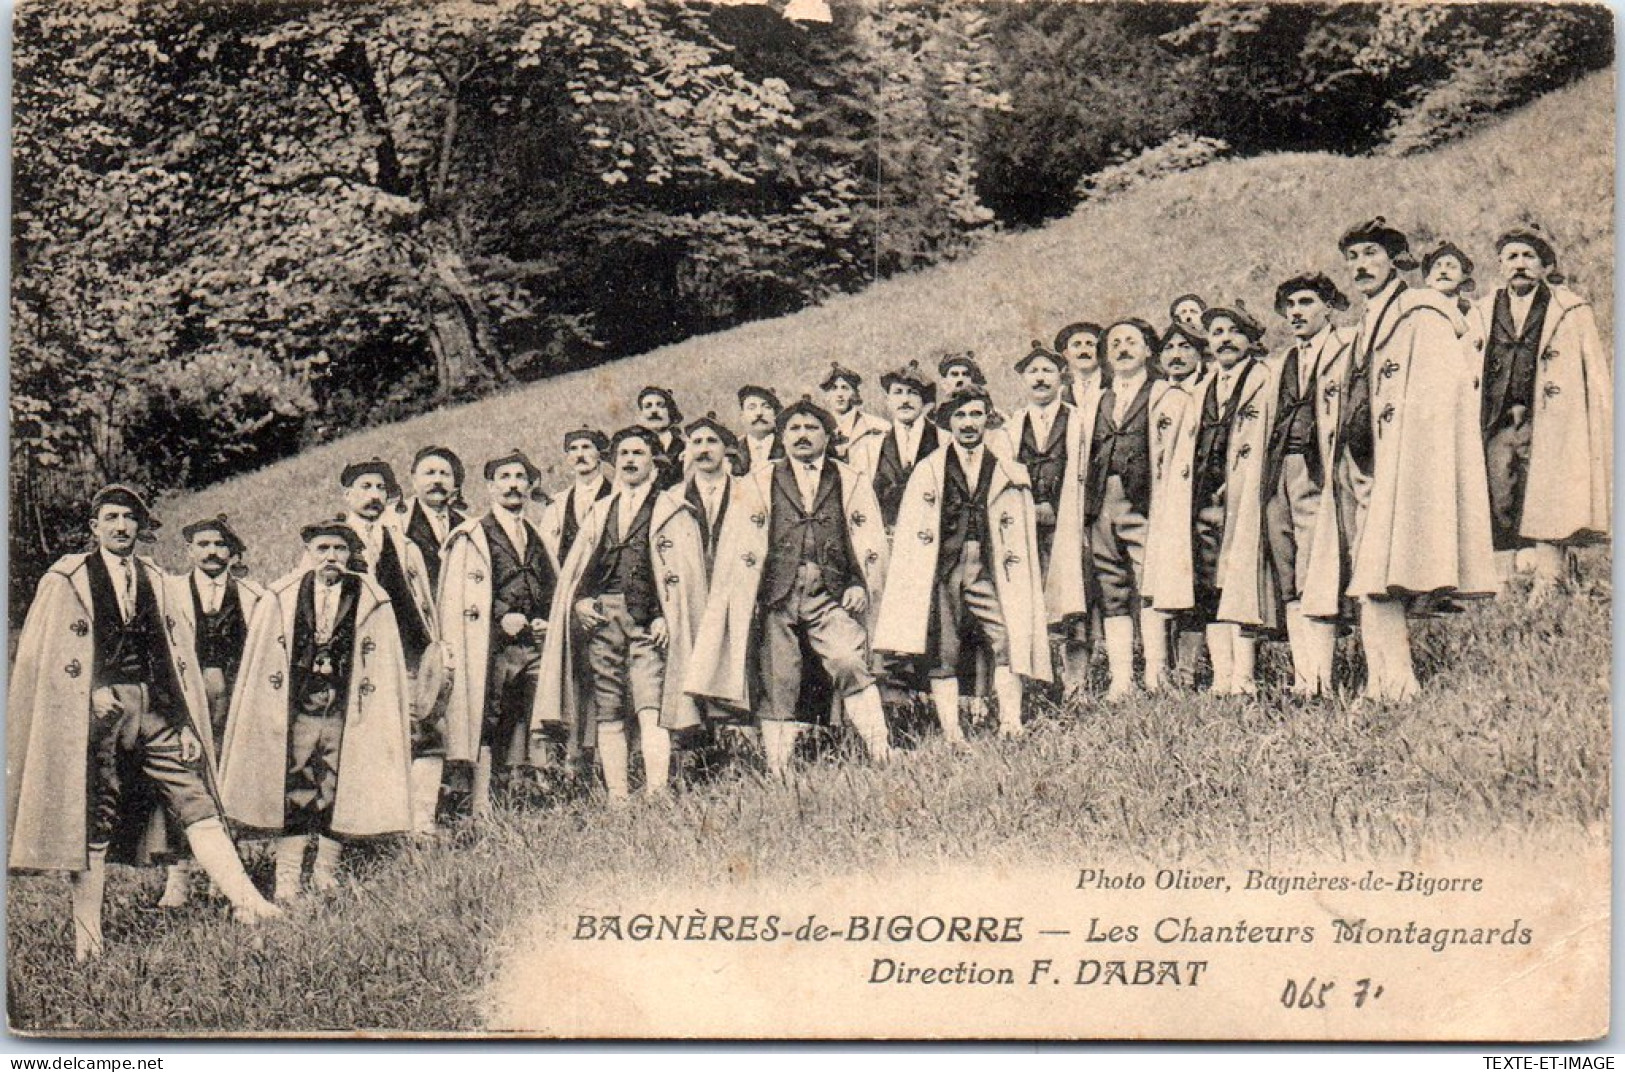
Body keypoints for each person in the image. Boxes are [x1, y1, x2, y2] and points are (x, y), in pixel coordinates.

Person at [8, 486, 280, 959]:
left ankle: (249, 901)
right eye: (111, 517)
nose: (121, 527)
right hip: (93, 713)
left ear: (139, 526)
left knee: (195, 797)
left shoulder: (153, 577)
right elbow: (51, 656)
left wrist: (183, 723)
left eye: (129, 518)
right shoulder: (67, 578)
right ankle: (87, 936)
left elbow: (170, 655)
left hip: (152, 707)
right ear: (94, 527)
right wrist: (91, 689)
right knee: (95, 812)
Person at [1320, 217, 1497, 702]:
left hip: (1401, 460)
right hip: (1362, 465)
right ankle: (1384, 683)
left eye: (1370, 255)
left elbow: (1441, 396)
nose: (1360, 266)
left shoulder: (1422, 312)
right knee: (1368, 576)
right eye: (1352, 258)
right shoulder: (1370, 320)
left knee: (1382, 577)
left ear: (1395, 260)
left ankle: (1397, 684)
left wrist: (1406, 454)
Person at [686, 397, 894, 773]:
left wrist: (859, 584)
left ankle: (882, 751)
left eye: (811, 428)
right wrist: (748, 595)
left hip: (829, 592)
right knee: (778, 679)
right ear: (781, 436)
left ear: (827, 437)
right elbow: (739, 545)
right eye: (794, 429)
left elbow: (867, 541)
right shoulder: (759, 480)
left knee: (849, 660)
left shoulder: (849, 479)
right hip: (775, 596)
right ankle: (779, 768)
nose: (802, 435)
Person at [218, 519, 413, 901]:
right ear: (309, 552)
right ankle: (287, 877)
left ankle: (326, 871)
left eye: (339, 549)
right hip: (300, 709)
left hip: (346, 708)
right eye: (322, 549)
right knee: (296, 781)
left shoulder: (370, 597)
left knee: (337, 783)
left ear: (350, 554)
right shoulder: (284, 596)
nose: (330, 557)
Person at [534, 427, 708, 801]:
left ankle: (657, 789)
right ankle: (618, 795)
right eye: (623, 454)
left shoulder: (672, 511)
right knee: (609, 710)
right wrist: (580, 602)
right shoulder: (600, 512)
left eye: (638, 453)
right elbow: (579, 571)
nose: (630, 460)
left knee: (651, 704)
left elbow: (681, 575)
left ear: (654, 465)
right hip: (603, 621)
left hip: (647, 622)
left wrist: (665, 614)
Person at [874, 386, 1051, 740]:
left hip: (990, 568)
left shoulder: (1006, 470)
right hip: (944, 569)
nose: (968, 424)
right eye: (960, 416)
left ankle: (1011, 722)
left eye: (975, 414)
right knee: (944, 648)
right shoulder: (929, 470)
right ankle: (952, 730)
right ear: (948, 422)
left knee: (1006, 637)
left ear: (988, 418)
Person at [1470, 225, 1611, 591]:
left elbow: (1594, 373)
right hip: (1497, 422)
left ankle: (1550, 578)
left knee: (1547, 493)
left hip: (1549, 421)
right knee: (1498, 493)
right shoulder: (1483, 312)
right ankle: (1503, 580)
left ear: (1545, 266)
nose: (1520, 264)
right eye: (1512, 257)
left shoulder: (1571, 310)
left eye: (1528, 257)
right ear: (1500, 266)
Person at [439, 450, 559, 815]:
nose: (512, 485)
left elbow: (549, 583)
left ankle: (532, 791)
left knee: (538, 712)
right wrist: (501, 616)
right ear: (490, 487)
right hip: (491, 646)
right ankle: (480, 805)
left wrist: (543, 618)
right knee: (488, 718)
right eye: (504, 478)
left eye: (520, 478)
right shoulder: (474, 535)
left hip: (532, 646)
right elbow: (465, 594)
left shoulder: (535, 533)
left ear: (529, 485)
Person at [157, 514, 265, 908]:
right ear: (190, 551)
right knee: (184, 782)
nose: (212, 552)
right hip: (188, 702)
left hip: (235, 701)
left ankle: (227, 875)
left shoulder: (252, 596)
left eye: (219, 545)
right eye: (203, 545)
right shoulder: (171, 592)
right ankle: (179, 876)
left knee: (229, 780)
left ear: (232, 552)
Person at [339, 457, 445, 833]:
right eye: (364, 487)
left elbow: (422, 601)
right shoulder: (332, 545)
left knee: (427, 732)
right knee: (365, 738)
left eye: (380, 488)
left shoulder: (402, 543)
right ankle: (368, 825)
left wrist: (435, 645)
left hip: (407, 651)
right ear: (346, 494)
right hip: (357, 659)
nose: (373, 495)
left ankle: (421, 824)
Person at [1264, 274, 1353, 695]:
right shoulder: (1281, 361)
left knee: (1316, 568)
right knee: (1286, 567)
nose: (1296, 312)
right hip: (1279, 469)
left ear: (1328, 307)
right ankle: (1304, 679)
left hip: (1320, 468)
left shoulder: (1345, 349)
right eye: (1290, 305)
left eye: (1305, 302)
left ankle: (1321, 677)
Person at [1189, 301, 1277, 695]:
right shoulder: (1202, 387)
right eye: (1217, 333)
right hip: (1203, 500)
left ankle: (1245, 674)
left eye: (1233, 332)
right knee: (1209, 585)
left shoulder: (1265, 378)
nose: (1225, 340)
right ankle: (1222, 676)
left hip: (1244, 494)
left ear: (1249, 338)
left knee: (1241, 581)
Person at [994, 342, 1089, 692]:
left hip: (1068, 523)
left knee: (1072, 603)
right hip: (1027, 527)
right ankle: (1036, 679)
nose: (1040, 378)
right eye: (1032, 372)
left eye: (1047, 370)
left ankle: (1076, 682)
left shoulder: (1079, 420)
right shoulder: (1012, 427)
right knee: (1029, 601)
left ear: (1060, 377)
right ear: (1023, 380)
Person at [1082, 320, 1158, 699]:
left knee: (1153, 586)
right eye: (1116, 343)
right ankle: (1122, 679)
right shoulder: (1099, 398)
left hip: (1143, 502)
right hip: (1102, 506)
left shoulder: (1159, 392)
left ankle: (1157, 675)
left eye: (1132, 342)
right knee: (1112, 588)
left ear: (1147, 350)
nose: (1123, 349)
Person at [1140, 321, 1209, 692]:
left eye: (1186, 347)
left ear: (1199, 354)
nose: (1177, 355)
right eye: (1169, 348)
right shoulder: (1158, 396)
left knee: (1196, 584)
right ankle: (1159, 670)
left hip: (1197, 501)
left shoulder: (1205, 392)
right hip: (1163, 503)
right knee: (1161, 584)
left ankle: (1190, 669)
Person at [849, 360, 938, 532]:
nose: (905, 400)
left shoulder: (944, 440)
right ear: (888, 400)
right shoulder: (871, 446)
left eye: (912, 393)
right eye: (898, 392)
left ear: (924, 401)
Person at [538, 428, 613, 569]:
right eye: (573, 449)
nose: (579, 454)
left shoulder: (616, 496)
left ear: (599, 455)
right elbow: (545, 551)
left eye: (586, 447)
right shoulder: (557, 504)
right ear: (568, 458)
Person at [397, 446, 467, 593]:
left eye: (445, 474)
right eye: (430, 473)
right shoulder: (398, 523)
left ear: (455, 484)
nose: (437, 480)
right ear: (414, 480)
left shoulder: (467, 525)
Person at [680, 412, 738, 574]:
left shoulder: (745, 491)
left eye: (712, 441)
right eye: (697, 442)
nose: (704, 449)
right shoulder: (674, 497)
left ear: (725, 448)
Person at [821, 362, 889, 468]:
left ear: (854, 393)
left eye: (845, 388)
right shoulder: (819, 427)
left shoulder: (877, 426)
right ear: (827, 396)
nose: (840, 394)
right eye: (834, 388)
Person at [636, 386, 686, 491]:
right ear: (641, 414)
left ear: (670, 411)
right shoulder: (633, 446)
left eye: (660, 405)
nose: (654, 411)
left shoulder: (684, 446)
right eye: (648, 406)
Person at [737, 385, 783, 472]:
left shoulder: (789, 449)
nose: (759, 413)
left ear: (776, 415)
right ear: (742, 416)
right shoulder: (730, 452)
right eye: (752, 408)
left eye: (766, 407)